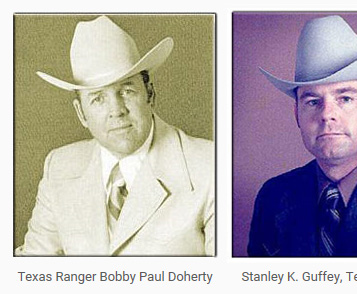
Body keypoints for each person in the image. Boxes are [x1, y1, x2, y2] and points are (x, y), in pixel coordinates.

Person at [16, 15, 214, 256]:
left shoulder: (210, 167)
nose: (117, 110)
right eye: (98, 98)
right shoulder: (59, 167)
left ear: (150, 94)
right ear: (81, 114)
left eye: (127, 90)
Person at [248, 15, 357, 257]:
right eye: (312, 101)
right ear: (297, 114)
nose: (326, 114)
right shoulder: (273, 197)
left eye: (345, 98)